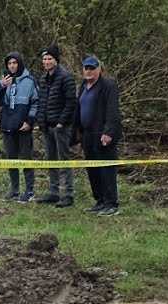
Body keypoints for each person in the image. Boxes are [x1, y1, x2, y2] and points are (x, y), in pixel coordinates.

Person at [75, 55, 122, 217]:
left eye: (91, 68)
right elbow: (79, 108)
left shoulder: (108, 85)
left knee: (106, 169)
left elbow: (112, 111)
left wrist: (108, 132)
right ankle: (100, 199)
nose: (88, 71)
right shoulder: (83, 86)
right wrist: (78, 130)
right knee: (93, 169)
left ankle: (111, 203)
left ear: (99, 69)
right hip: (87, 134)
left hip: (102, 134)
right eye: (86, 68)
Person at [0, 51, 38, 202]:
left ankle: (30, 191)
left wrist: (30, 122)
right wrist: (1, 87)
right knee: (11, 160)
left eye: (14, 63)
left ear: (19, 63)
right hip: (7, 125)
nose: (12, 66)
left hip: (23, 126)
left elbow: (35, 103)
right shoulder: (4, 80)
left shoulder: (29, 81)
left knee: (26, 159)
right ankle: (14, 190)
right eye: (9, 63)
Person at [37, 45, 77, 207]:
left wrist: (62, 122)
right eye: (45, 59)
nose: (47, 62)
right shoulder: (43, 79)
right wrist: (41, 122)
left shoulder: (66, 77)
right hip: (47, 126)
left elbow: (71, 102)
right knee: (51, 160)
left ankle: (68, 193)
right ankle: (53, 192)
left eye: (50, 59)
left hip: (61, 127)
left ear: (56, 60)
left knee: (64, 160)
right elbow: (42, 102)